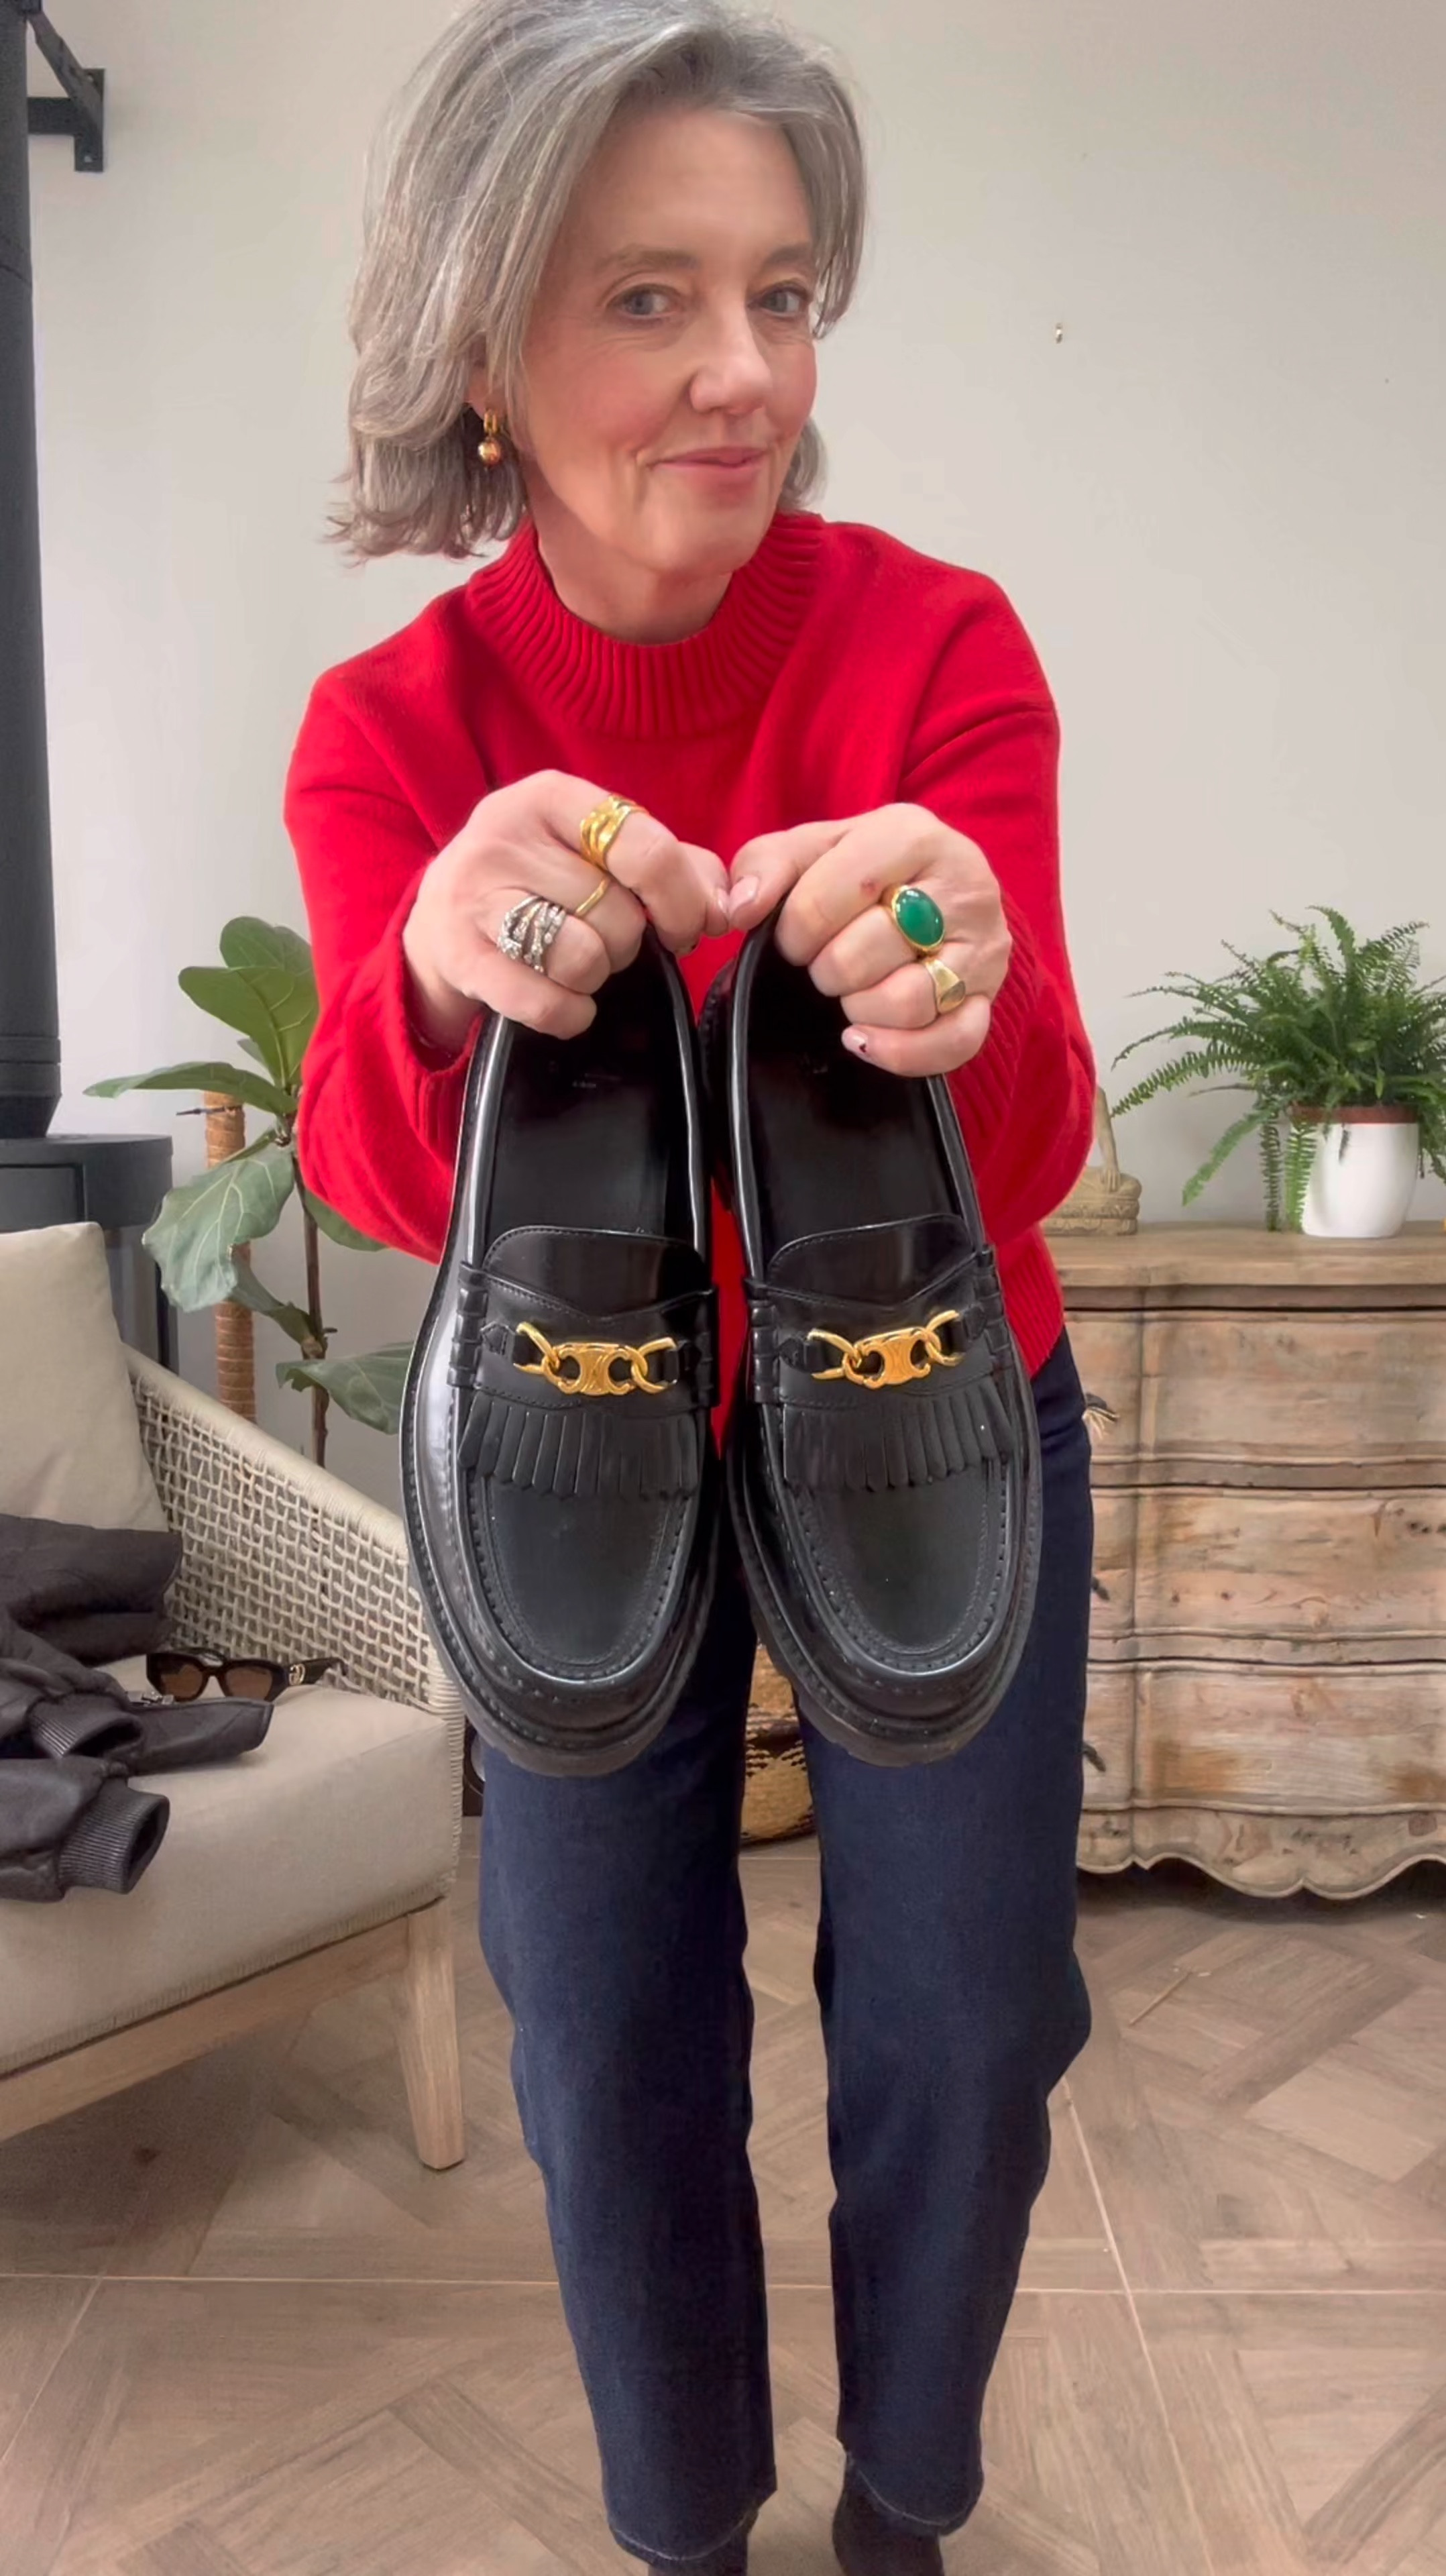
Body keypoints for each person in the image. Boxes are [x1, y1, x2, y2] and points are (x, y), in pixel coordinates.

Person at [286, 5, 1097, 2569]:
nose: (745, 372)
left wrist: (953, 996)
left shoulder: (939, 646)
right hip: (572, 1447)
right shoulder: (392, 726)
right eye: (649, 297)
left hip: (930, 1412)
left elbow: (1043, 1136)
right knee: (607, 2041)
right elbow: (383, 1170)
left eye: (782, 289)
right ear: (485, 347)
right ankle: (685, 2529)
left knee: (966, 2028)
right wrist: (432, 974)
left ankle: (903, 2508)